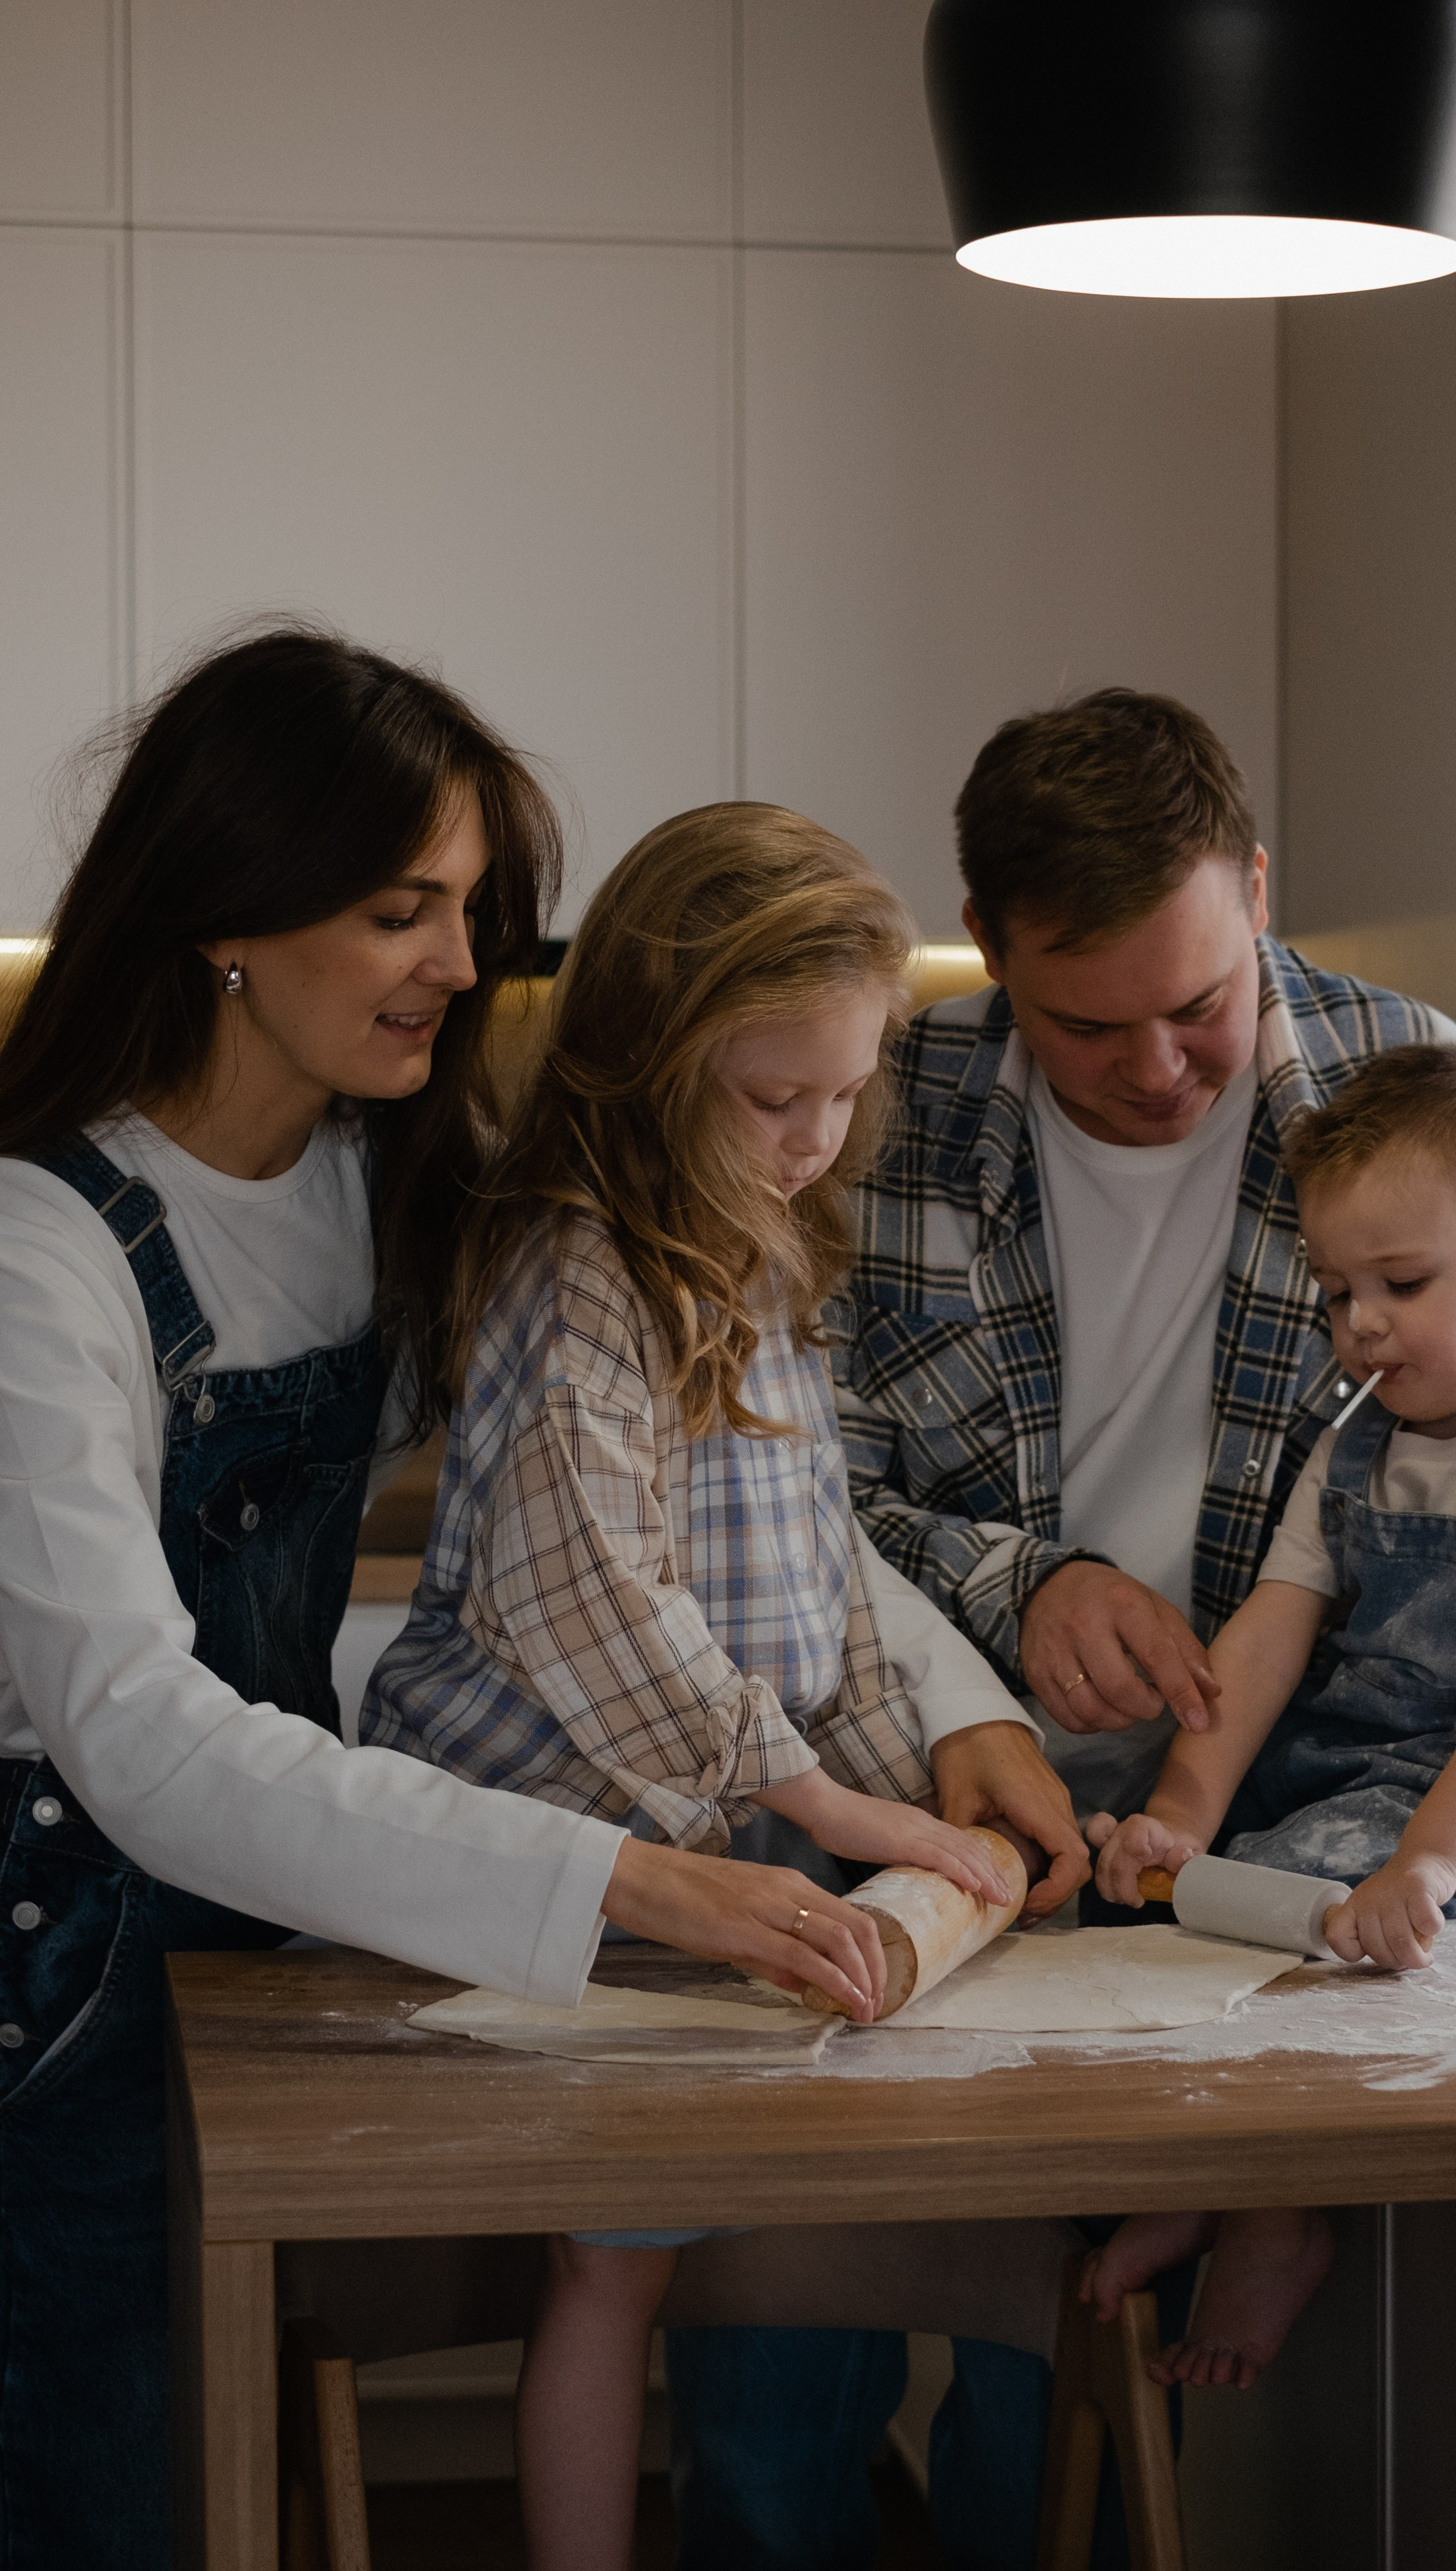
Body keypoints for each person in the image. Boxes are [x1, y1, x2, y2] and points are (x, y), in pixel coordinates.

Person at [668, 690, 1456, 2571]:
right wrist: (1023, 1585)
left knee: (1065, 2360)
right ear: (991, 949)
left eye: (1200, 1006)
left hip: (1227, 1809)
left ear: (1256, 887)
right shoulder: (876, 1111)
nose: (1157, 1069)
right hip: (912, 1764)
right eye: (1088, 1025)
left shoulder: (1435, 1108)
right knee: (782, 2308)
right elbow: (776, 1485)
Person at [0, 633, 908, 2571]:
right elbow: (139, 1740)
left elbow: (746, 1495)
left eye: (473, 909)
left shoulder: (391, 1175)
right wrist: (634, 1878)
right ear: (224, 910)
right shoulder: (40, 1249)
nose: (458, 961)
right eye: (399, 908)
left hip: (265, 1914)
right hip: (55, 1951)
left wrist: (964, 1721)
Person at [362, 801, 1041, 2571]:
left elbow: (816, 1577)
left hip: (715, 1854)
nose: (815, 1139)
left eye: (846, 1091)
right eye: (770, 1097)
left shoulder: (756, 1249)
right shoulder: (575, 1267)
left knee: (667, 2255)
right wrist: (822, 1798)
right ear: (648, 1063)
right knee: (606, 2271)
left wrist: (911, 1791)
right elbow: (592, 1589)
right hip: (564, 1865)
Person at [1082, 1042, 1456, 2388]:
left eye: (1401, 1285)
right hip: (1378, 1755)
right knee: (1138, 1877)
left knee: (1293, 1892)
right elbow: (1268, 1635)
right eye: (1336, 1291)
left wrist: (1425, 1862)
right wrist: (1179, 1808)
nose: (1359, 1324)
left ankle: (1272, 2221)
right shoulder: (1357, 1440)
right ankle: (1204, 2175)